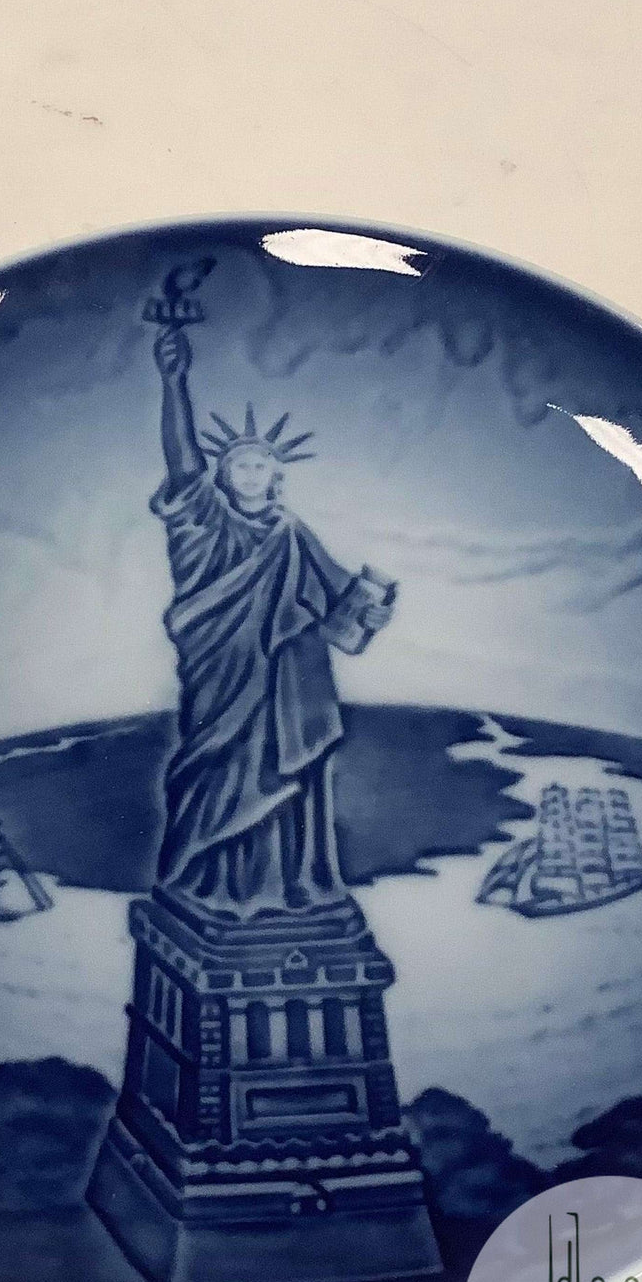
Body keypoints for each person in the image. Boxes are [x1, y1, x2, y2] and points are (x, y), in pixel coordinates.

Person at [150, 325, 393, 922]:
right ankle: (210, 886)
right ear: (223, 474)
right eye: (240, 464)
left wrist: (371, 606)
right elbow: (182, 460)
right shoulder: (203, 521)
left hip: (289, 678)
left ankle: (293, 886)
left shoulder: (291, 531)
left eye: (261, 464)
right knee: (218, 771)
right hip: (222, 671)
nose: (252, 472)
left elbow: (340, 596)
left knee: (288, 775)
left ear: (276, 475)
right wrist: (174, 383)